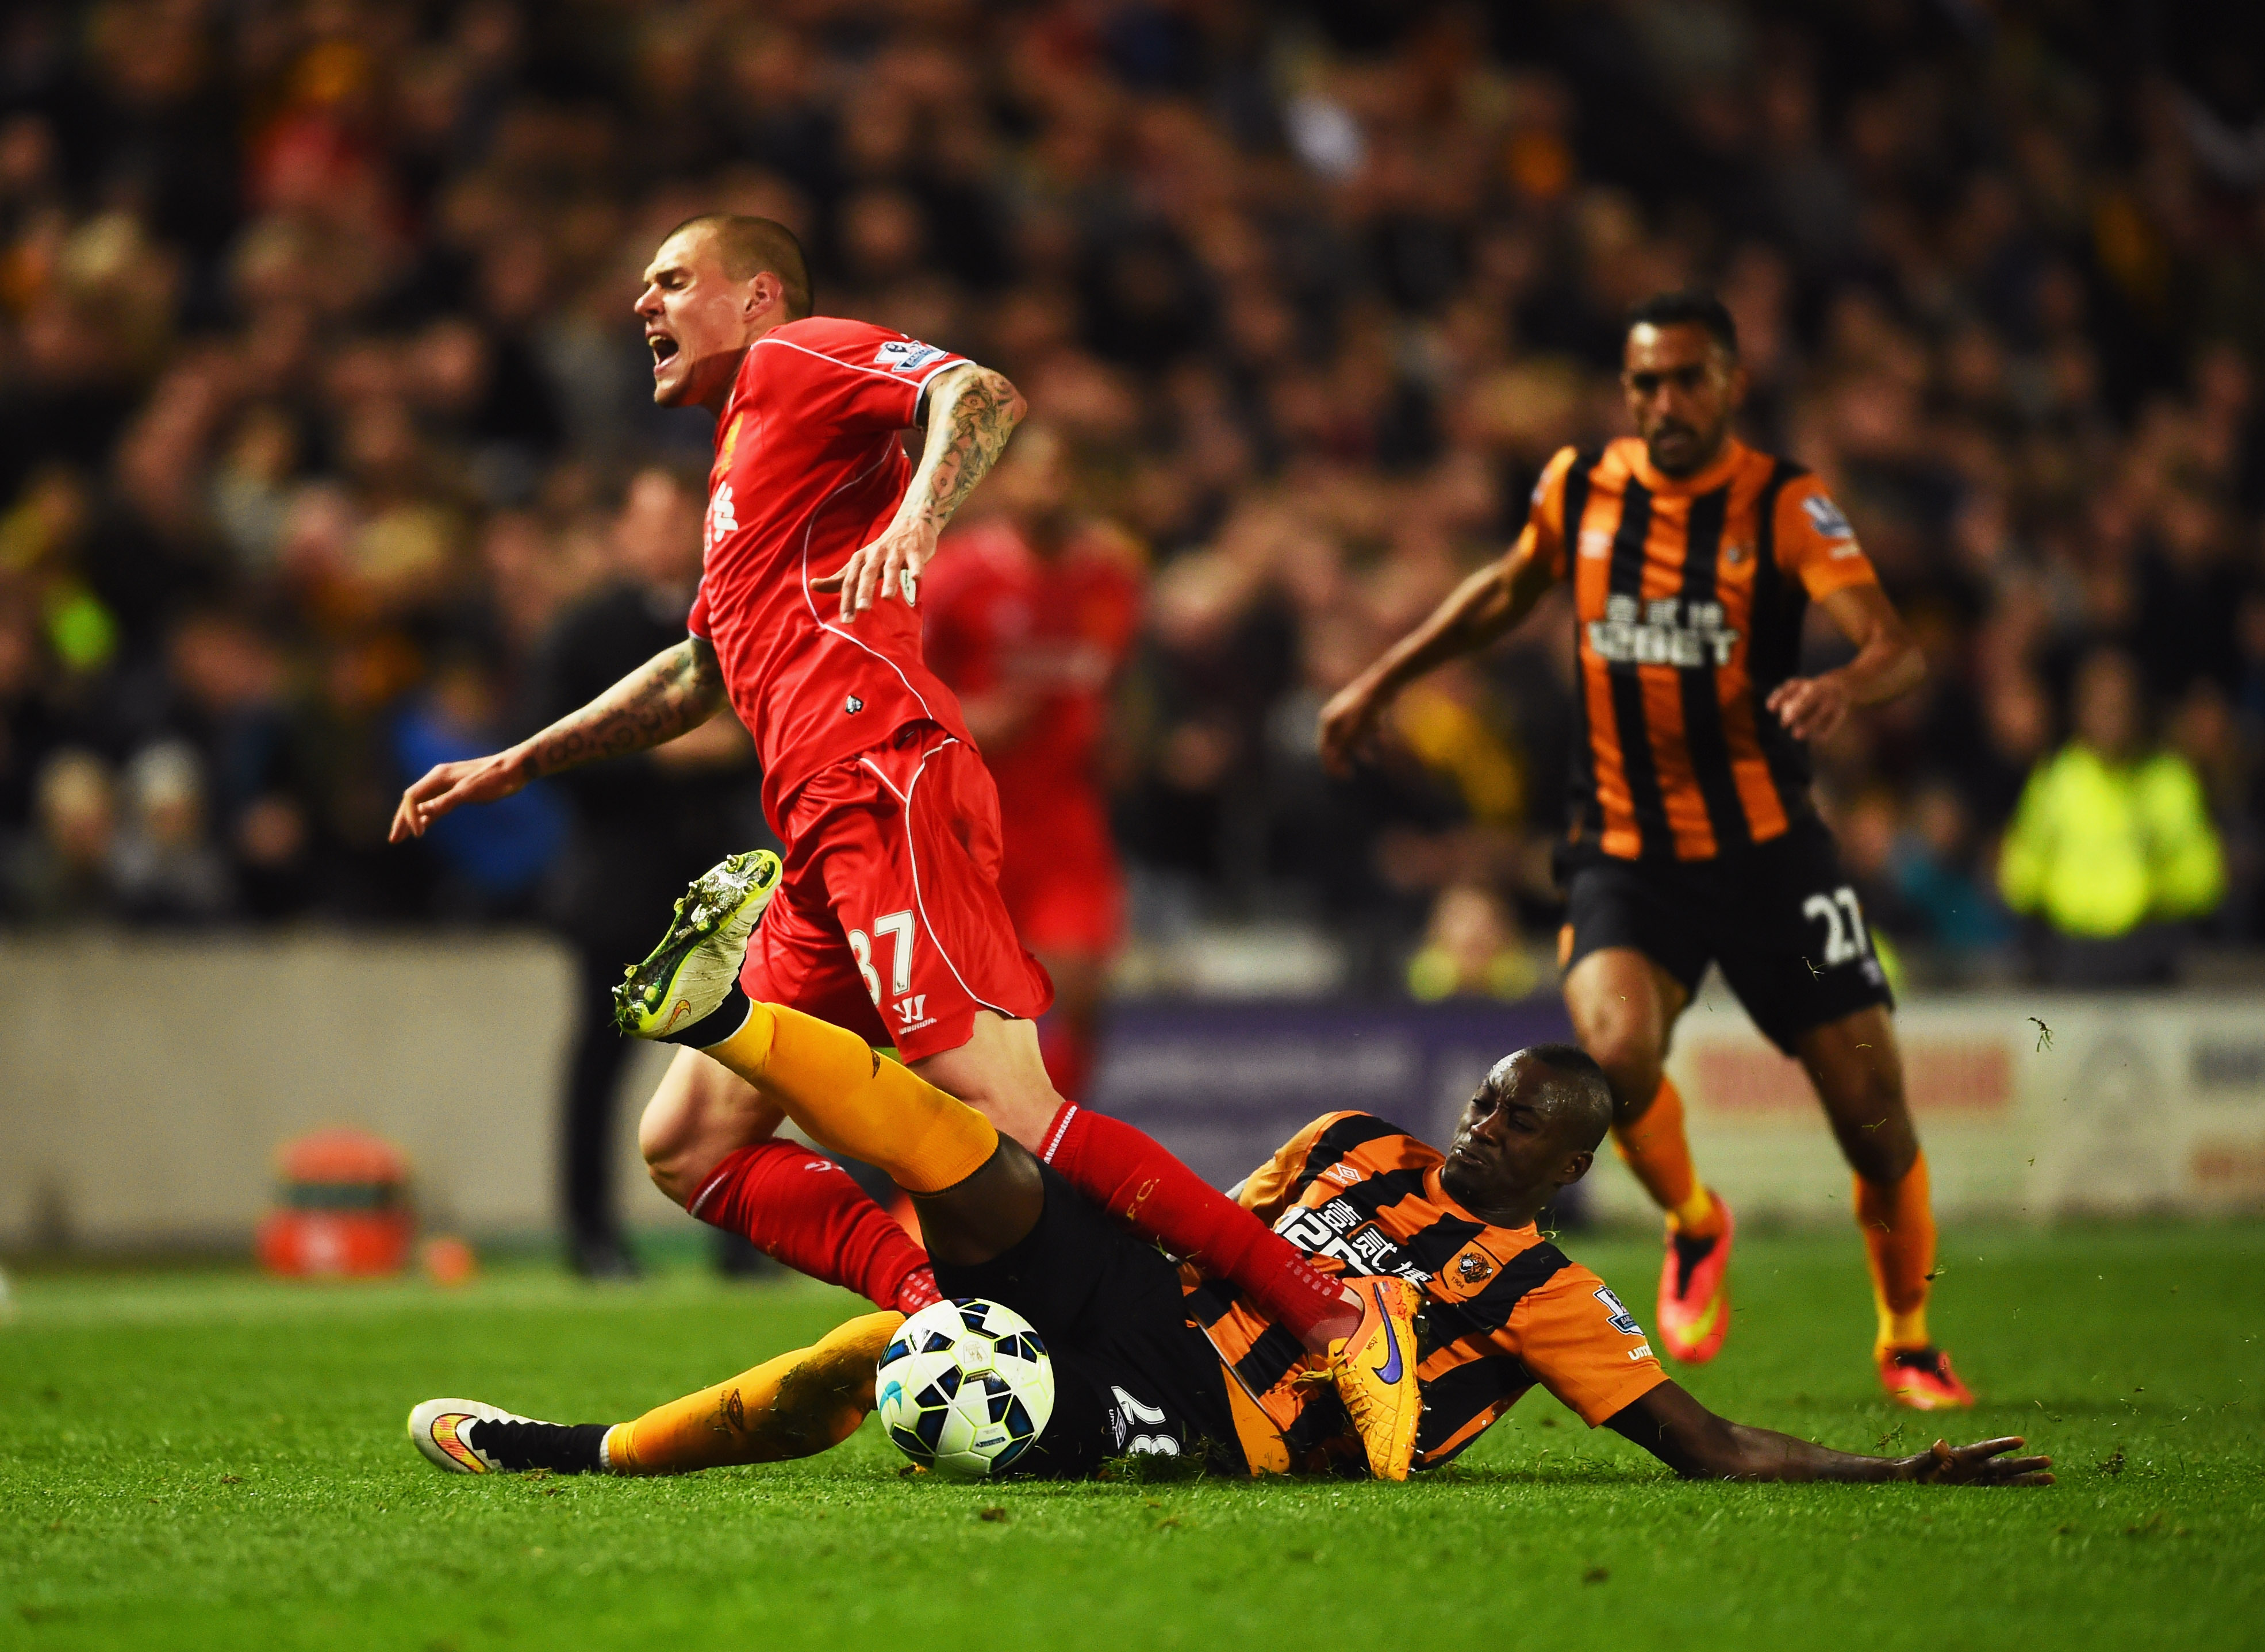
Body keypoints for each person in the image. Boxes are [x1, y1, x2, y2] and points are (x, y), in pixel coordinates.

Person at [386, 215, 1416, 1467]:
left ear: (756, 294)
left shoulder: (797, 358)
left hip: (881, 778)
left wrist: (922, 515)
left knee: (1007, 1108)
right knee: (691, 1147)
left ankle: (1331, 1317)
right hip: (811, 826)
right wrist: (516, 761)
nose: (641, 305)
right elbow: (696, 678)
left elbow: (978, 394)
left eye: (669, 281)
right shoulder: (739, 462)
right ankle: (946, 1319)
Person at [406, 1029, 2051, 1492]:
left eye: (1520, 1125)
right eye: (1482, 1098)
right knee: (962, 1160)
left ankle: (571, 1454)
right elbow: (1213, 1229)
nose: (1478, 1128)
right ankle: (737, 1018)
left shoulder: (1544, 1291)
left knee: (886, 1367)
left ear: (1570, 1165)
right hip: (1153, 1304)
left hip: (1232, 1421)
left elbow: (1695, 1442)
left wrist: (1892, 1478)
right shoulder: (1354, 1144)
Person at [1318, 291, 1970, 1409]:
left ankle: (1905, 1338)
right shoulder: (1581, 486)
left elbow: (1892, 645)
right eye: (1644, 383)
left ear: (1728, 385)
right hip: (1623, 848)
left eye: (1684, 379)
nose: (1662, 401)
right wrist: (1382, 677)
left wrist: (1838, 686)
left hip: (1771, 854)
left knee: (1871, 1115)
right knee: (1612, 1052)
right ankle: (1689, 1220)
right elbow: (1504, 590)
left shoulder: (1781, 504)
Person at [532, 466, 763, 1278]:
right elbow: (562, 754)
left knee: (738, 1062)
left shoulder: (736, 618)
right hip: (620, 882)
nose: (665, 536)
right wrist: (677, 752)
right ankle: (591, 1233)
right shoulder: (586, 633)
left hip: (715, 880)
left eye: (680, 518)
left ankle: (743, 1238)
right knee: (601, 1061)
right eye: (649, 519)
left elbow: (766, 737)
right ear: (621, 534)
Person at [919, 424, 1143, 1098]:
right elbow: (894, 691)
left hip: (1066, 821)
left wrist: (1123, 738)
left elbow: (1121, 683)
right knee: (963, 1016)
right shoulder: (954, 577)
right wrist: (969, 718)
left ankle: (1054, 1157)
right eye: (1037, 471)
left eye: (1064, 472)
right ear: (1002, 480)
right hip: (969, 824)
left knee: (1079, 996)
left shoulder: (1111, 578)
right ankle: (934, 1182)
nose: (1052, 487)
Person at [1998, 646, 2225, 986]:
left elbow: (2205, 877)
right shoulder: (2056, 780)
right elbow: (2020, 874)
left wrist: (2161, 883)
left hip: (2149, 952)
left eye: (2120, 706)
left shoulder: (2169, 782)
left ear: (2138, 708)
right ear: (2081, 710)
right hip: (2068, 953)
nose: (2111, 717)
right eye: (2101, 707)